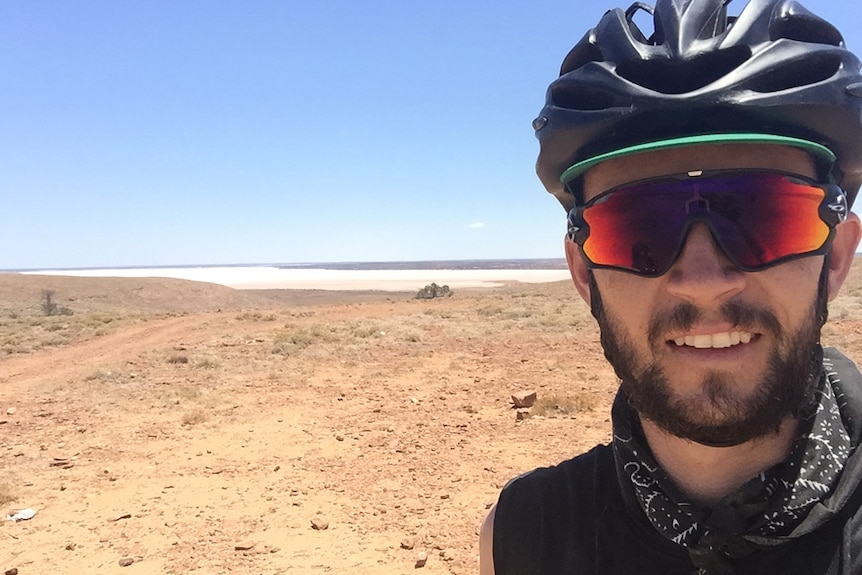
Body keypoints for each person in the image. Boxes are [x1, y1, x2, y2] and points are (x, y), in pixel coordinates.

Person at [479, 0, 862, 573]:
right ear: (584, 274)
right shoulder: (527, 538)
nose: (704, 283)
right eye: (638, 229)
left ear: (834, 257)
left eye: (765, 217)